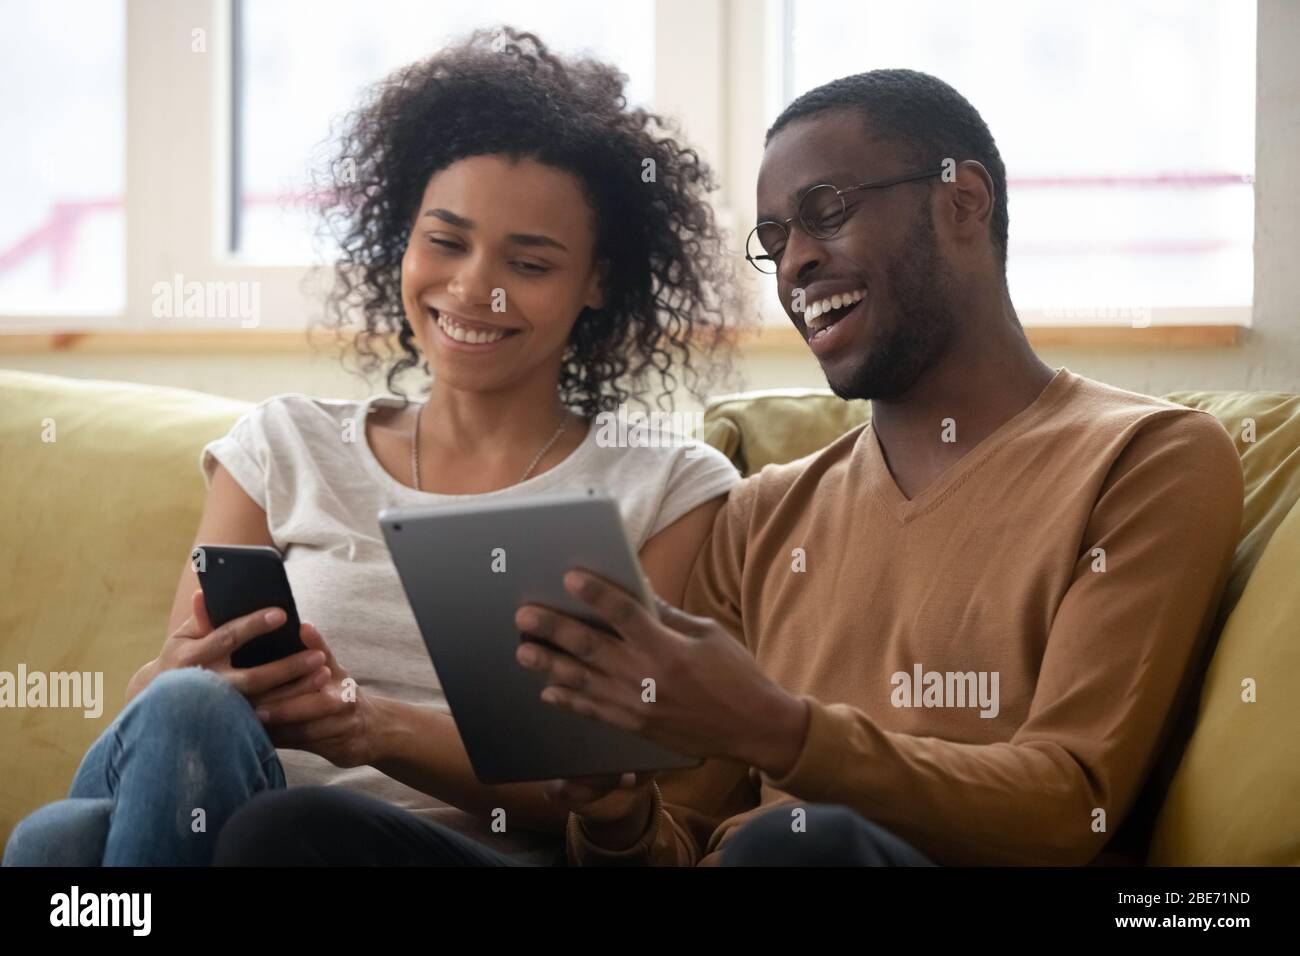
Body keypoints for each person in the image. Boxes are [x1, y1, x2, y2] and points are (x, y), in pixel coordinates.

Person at [214, 68, 1244, 868]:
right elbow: (671, 839)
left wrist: (777, 728)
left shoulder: (1144, 455)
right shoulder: (761, 515)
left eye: (827, 211)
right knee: (292, 833)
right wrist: (612, 806)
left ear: (961, 201)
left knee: (796, 840)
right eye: (774, 237)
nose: (794, 262)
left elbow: (1074, 803)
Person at [2, 28, 742, 867]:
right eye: (446, 241)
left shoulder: (668, 487)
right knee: (109, 788)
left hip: (447, 853)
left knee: (65, 845)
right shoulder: (286, 446)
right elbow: (168, 714)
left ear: (598, 281)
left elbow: (611, 799)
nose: (472, 289)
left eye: (529, 263)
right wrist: (180, 675)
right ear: (403, 236)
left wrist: (371, 727)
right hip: (227, 815)